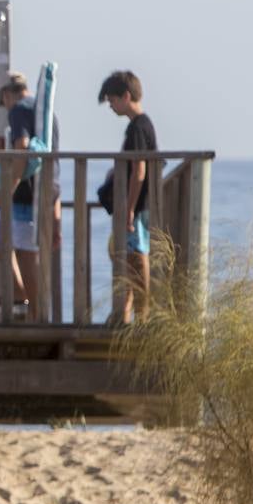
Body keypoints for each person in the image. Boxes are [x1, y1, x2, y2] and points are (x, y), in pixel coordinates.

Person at [0, 70, 61, 320]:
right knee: (33, 251)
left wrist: (9, 188)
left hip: (27, 194)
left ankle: (36, 314)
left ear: (6, 95)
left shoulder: (18, 110)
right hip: (49, 190)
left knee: (26, 254)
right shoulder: (46, 112)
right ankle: (37, 309)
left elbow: (22, 149)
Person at [99, 70, 156, 322]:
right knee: (123, 252)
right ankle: (125, 310)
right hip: (139, 202)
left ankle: (142, 314)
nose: (110, 106)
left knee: (135, 254)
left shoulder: (137, 127)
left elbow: (139, 170)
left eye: (112, 100)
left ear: (126, 96)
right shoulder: (142, 125)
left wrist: (130, 207)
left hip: (138, 203)